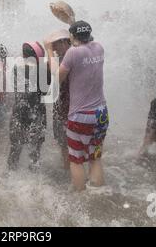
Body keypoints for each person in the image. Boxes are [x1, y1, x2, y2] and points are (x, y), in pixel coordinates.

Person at [45, 21, 109, 192]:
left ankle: (81, 198)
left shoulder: (73, 53)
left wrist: (49, 50)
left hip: (81, 115)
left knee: (76, 160)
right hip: (101, 112)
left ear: (72, 38)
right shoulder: (99, 47)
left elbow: (56, 78)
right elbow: (85, 38)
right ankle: (98, 194)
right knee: (95, 158)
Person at [8, 41, 50, 171]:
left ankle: (11, 175)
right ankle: (34, 180)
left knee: (15, 147)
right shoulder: (43, 70)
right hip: (37, 113)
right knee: (35, 149)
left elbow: (15, 89)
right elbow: (45, 91)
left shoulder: (16, 68)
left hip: (18, 113)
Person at [45, 29, 71, 170]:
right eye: (52, 45)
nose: (53, 48)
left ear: (64, 42)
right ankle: (72, 173)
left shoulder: (69, 57)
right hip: (62, 108)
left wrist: (48, 50)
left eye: (55, 44)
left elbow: (55, 76)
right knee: (64, 145)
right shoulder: (75, 55)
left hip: (68, 108)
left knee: (67, 146)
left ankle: (72, 175)